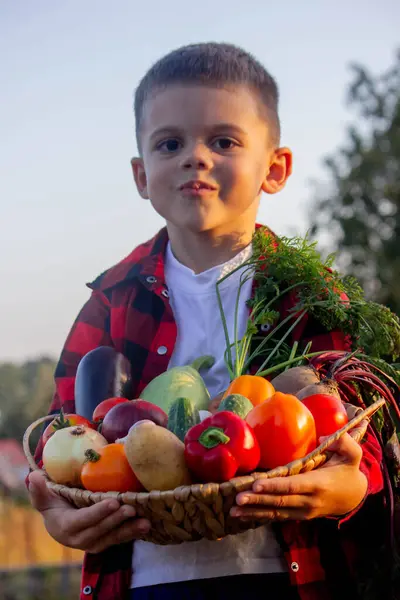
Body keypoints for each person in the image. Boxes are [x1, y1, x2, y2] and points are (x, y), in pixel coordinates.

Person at [28, 43, 386, 600]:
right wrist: (54, 513)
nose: (196, 156)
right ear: (142, 175)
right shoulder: (113, 299)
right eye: (171, 143)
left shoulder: (309, 295)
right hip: (148, 576)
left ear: (275, 168)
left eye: (223, 141)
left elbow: (364, 433)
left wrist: (349, 484)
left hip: (288, 573)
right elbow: (61, 439)